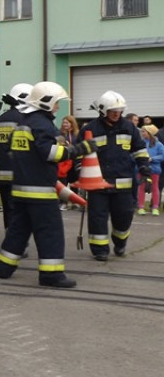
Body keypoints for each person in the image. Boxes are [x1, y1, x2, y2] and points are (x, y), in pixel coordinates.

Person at [0, 81, 92, 288]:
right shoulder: (42, 124)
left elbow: (12, 153)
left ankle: (4, 267)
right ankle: (51, 275)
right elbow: (50, 153)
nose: (58, 107)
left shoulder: (23, 123)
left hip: (20, 190)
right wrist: (79, 149)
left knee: (18, 231)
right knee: (50, 232)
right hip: (40, 192)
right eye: (57, 103)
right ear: (46, 102)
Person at [78, 90, 149, 262]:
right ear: (103, 111)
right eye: (113, 111)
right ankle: (99, 249)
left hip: (123, 184)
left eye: (119, 111)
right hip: (98, 184)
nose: (117, 114)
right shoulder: (90, 129)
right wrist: (79, 172)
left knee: (124, 217)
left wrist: (144, 166)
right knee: (97, 218)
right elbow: (79, 153)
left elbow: (139, 148)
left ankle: (120, 242)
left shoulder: (129, 127)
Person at [0, 82, 33, 235]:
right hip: (20, 174)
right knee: (21, 211)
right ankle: (18, 242)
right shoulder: (24, 119)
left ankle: (10, 237)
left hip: (2, 175)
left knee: (8, 209)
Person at [136, 124, 163, 216]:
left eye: (144, 131)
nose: (142, 133)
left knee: (155, 187)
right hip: (142, 168)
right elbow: (135, 153)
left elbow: (162, 155)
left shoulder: (158, 144)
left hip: (154, 169)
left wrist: (153, 158)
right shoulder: (140, 142)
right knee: (141, 188)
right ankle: (141, 207)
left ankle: (155, 207)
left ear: (150, 133)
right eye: (142, 131)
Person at [57, 114, 80, 209]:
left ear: (72, 123)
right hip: (64, 161)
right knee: (63, 182)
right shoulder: (60, 134)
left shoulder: (77, 134)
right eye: (64, 122)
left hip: (74, 160)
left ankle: (74, 202)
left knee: (74, 182)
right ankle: (63, 202)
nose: (65, 124)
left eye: (67, 122)